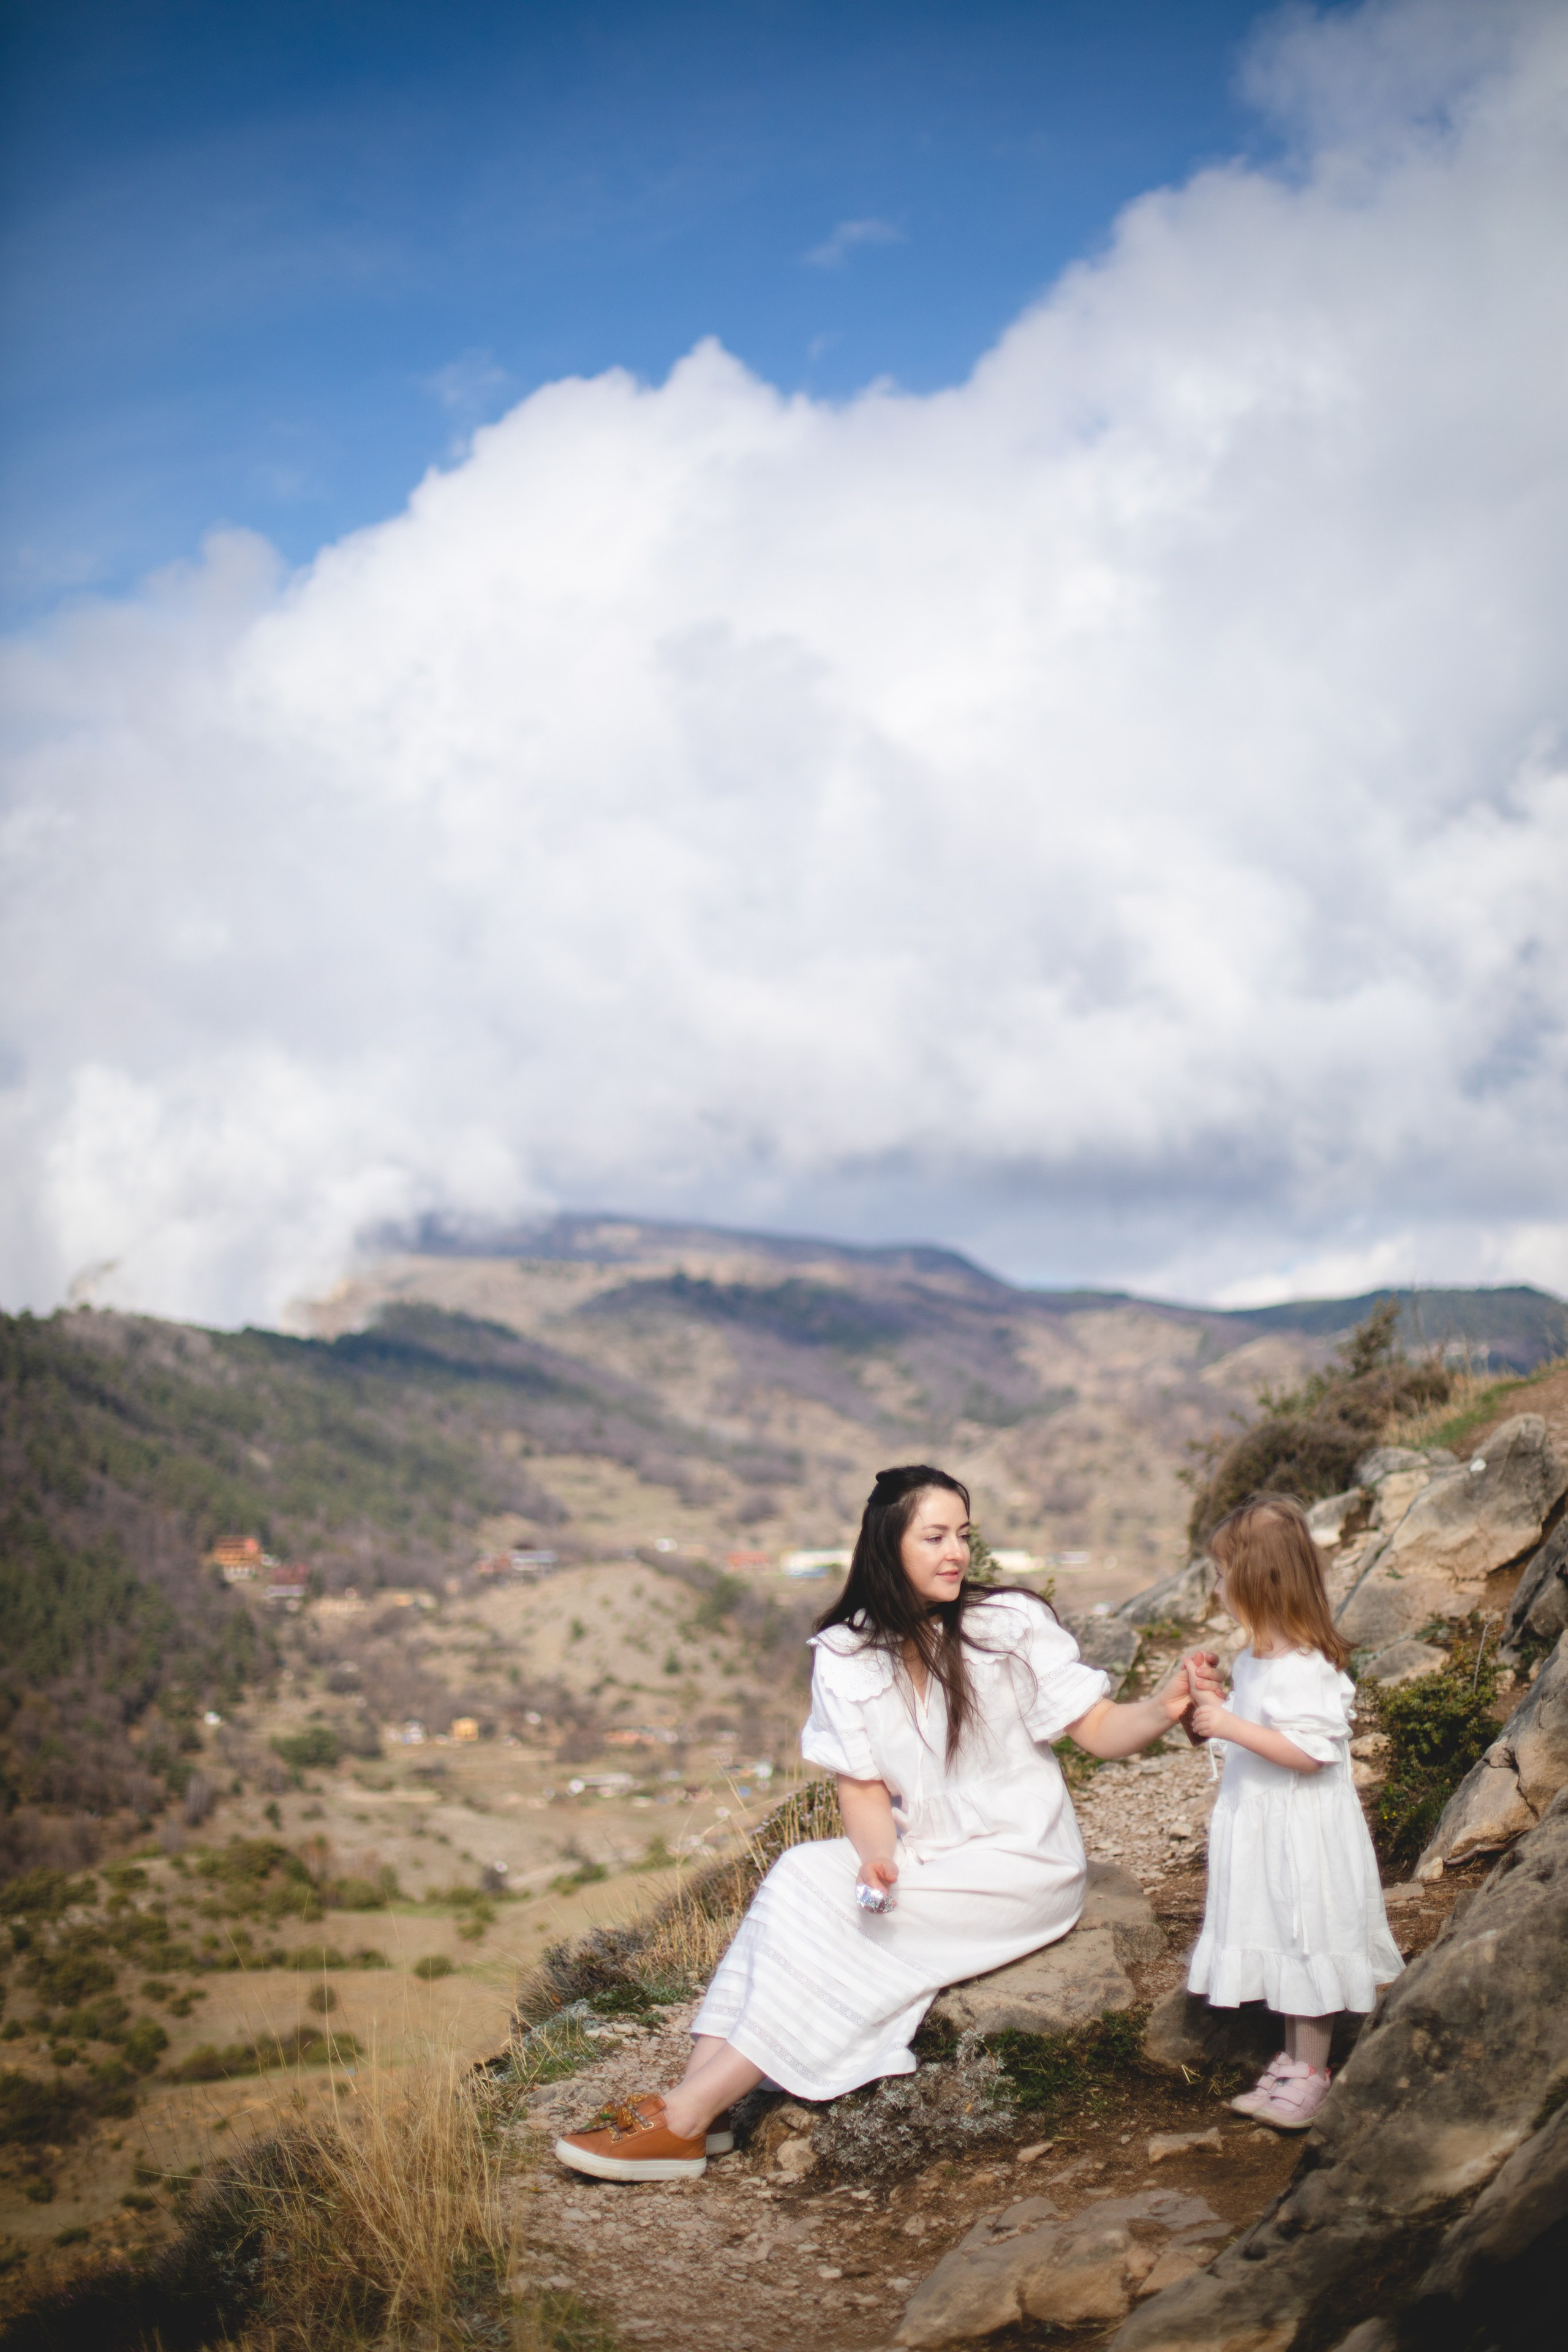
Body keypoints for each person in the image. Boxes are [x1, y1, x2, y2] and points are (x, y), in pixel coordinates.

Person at [554, 1463, 1204, 2182]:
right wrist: (875, 1857)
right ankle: (697, 2107)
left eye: (962, 1534)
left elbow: (1100, 1729)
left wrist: (1163, 1708)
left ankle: (681, 2120)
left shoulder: (1008, 1624)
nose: (955, 1551)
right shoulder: (846, 1651)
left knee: (852, 1930)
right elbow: (860, 1789)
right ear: (888, 1545)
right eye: (934, 1536)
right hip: (925, 1852)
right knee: (802, 1873)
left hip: (1019, 1866)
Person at [1185, 1495, 1404, 2132]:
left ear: (1258, 1578)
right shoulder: (1257, 1659)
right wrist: (1213, 1706)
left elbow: (1309, 1753)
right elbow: (1251, 1734)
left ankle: (1311, 2070)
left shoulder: (1307, 1667)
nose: (1219, 1586)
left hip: (1300, 1832)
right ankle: (1293, 2058)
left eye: (1224, 1573)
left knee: (1307, 1936)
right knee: (1283, 1934)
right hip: (1263, 1824)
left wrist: (1227, 1721)